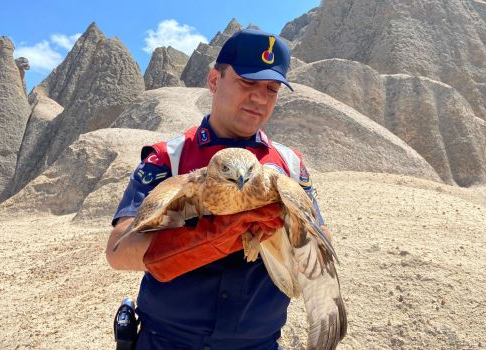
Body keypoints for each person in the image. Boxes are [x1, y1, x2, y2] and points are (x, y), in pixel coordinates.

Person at [106, 28, 327, 350]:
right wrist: (211, 238)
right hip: (166, 342)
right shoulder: (169, 157)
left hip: (258, 344)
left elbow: (322, 243)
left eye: (271, 88)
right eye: (247, 82)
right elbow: (118, 251)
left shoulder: (290, 165)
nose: (260, 97)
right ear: (213, 80)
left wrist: (286, 229)